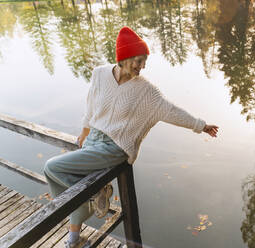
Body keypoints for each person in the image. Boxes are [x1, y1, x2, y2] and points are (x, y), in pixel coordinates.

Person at [43, 26, 219, 248]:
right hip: (93, 142)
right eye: (138, 60)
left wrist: (201, 126)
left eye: (144, 61)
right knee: (70, 188)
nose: (142, 66)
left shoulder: (146, 91)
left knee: (52, 167)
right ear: (124, 58)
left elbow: (170, 110)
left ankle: (94, 194)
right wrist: (84, 132)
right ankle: (75, 235)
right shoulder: (99, 74)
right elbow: (90, 107)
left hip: (114, 148)